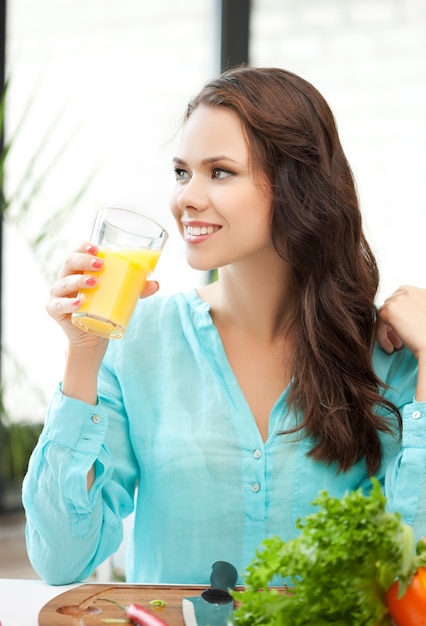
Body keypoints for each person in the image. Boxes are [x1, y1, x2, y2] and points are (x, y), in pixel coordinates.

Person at [23, 66, 426, 586]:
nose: (186, 197)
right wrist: (82, 353)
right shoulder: (139, 340)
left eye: (220, 172)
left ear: (296, 185)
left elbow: (410, 563)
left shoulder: (386, 351)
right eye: (181, 172)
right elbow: (60, 559)